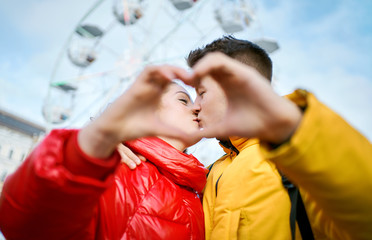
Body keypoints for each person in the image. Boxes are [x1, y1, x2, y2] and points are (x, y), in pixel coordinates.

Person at [185, 38, 372, 239]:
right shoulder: (209, 173)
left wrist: (293, 130)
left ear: (237, 88)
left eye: (201, 93)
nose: (195, 106)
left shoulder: (297, 163)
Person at [0, 66, 208, 240]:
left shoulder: (197, 188)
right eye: (183, 100)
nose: (197, 108)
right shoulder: (113, 170)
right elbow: (30, 224)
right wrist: (87, 150)